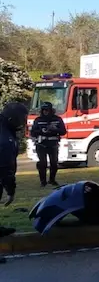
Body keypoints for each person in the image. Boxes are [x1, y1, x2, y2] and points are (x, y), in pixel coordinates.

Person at [0, 102, 28, 264]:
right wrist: (11, 190)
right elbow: (5, 168)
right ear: (12, 118)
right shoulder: (5, 139)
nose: (23, 123)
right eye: (21, 119)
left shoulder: (5, 130)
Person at [30, 102, 66, 187]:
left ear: (51, 110)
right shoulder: (38, 120)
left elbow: (63, 131)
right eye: (44, 110)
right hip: (41, 144)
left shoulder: (57, 119)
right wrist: (41, 131)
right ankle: (43, 181)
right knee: (42, 163)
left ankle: (52, 180)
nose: (45, 112)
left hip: (53, 144)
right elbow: (32, 132)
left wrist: (55, 129)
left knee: (54, 163)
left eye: (47, 110)